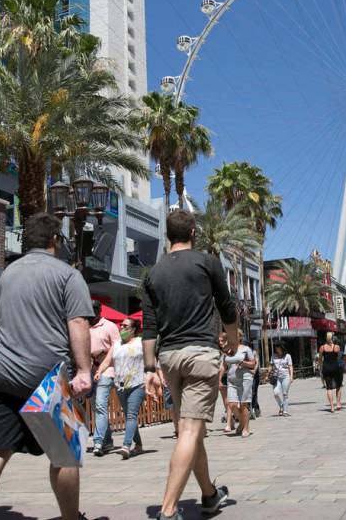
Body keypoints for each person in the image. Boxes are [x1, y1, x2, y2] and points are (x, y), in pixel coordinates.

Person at [0, 213, 94, 520]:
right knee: (63, 455)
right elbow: (77, 321)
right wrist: (84, 370)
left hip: (1, 373)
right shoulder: (68, 275)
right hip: (46, 378)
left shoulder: (5, 274)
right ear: (54, 241)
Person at [142, 209, 238, 520]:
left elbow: (149, 326)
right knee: (190, 430)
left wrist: (148, 370)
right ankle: (168, 510)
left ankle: (209, 495)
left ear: (167, 235)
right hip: (200, 355)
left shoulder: (153, 274)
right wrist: (233, 340)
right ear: (193, 232)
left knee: (191, 430)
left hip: (169, 359)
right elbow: (226, 305)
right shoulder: (207, 262)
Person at [95, 317, 145, 459]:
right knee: (129, 414)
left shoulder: (141, 343)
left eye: (125, 326)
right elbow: (107, 360)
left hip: (138, 383)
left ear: (134, 329)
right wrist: (99, 371)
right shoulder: (116, 344)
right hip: (121, 385)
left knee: (131, 415)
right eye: (121, 325)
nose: (121, 328)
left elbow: (150, 361)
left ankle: (126, 446)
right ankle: (139, 445)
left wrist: (151, 378)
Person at [89, 299, 120, 457]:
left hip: (107, 369)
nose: (91, 313)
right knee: (96, 407)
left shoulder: (109, 326)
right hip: (91, 368)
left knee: (101, 405)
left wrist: (104, 365)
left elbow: (116, 348)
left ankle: (98, 442)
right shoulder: (85, 326)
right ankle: (107, 441)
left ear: (99, 311)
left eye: (94, 311)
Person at [223, 330, 255, 437]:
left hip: (245, 379)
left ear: (240, 337)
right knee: (231, 404)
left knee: (243, 404)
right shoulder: (227, 350)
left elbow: (253, 364)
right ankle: (242, 423)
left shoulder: (246, 349)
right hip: (231, 380)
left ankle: (246, 428)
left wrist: (243, 363)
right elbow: (224, 365)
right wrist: (218, 378)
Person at [318, 332, 343, 412]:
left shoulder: (322, 347)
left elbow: (320, 359)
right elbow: (339, 357)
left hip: (326, 368)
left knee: (328, 388)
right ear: (333, 338)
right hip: (335, 367)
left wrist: (321, 367)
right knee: (338, 386)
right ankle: (338, 403)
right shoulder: (336, 347)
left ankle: (332, 407)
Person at [270, 344, 293, 416]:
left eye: (278, 348)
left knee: (285, 394)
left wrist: (291, 376)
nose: (277, 350)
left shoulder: (287, 356)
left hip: (285, 376)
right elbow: (271, 365)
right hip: (276, 377)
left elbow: (290, 366)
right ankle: (281, 406)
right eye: (276, 348)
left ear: (282, 348)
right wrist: (269, 372)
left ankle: (285, 411)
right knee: (276, 393)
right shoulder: (273, 356)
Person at [217, 333, 230, 430]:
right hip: (222, 377)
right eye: (219, 341)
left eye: (222, 340)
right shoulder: (219, 352)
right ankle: (231, 422)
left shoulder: (230, 350)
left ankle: (231, 422)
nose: (220, 343)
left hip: (231, 376)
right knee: (226, 401)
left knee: (232, 401)